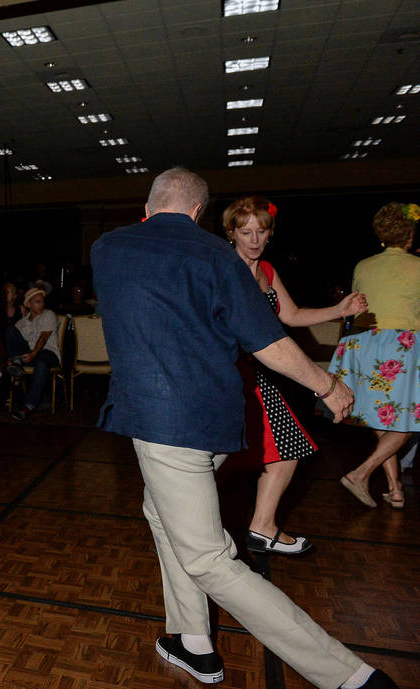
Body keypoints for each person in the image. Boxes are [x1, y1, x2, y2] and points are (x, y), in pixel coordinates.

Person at [91, 167, 398, 689]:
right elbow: (265, 341)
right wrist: (329, 385)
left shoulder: (106, 248)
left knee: (210, 558)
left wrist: (325, 385)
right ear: (197, 214)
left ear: (147, 208)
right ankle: (193, 641)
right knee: (161, 513)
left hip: (164, 426)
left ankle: (350, 677)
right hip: (216, 424)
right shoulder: (216, 255)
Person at [222, 196, 367, 554]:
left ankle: (261, 527)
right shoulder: (224, 268)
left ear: (270, 234)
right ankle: (192, 525)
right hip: (229, 376)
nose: (254, 239)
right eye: (246, 232)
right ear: (232, 234)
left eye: (261, 231)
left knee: (285, 448)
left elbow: (292, 315)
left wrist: (339, 309)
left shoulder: (267, 270)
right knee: (220, 456)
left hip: (262, 375)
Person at [332, 202, 420, 509]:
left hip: (365, 344)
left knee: (387, 418)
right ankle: (361, 473)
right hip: (403, 346)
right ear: (409, 235)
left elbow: (357, 309)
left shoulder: (363, 266)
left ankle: (395, 488)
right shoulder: (418, 267)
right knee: (409, 420)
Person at [6, 286, 61, 420]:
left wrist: (33, 354)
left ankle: (28, 405)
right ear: (29, 304)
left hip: (48, 353)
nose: (41, 304)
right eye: (37, 301)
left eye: (42, 301)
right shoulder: (22, 322)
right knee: (10, 331)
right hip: (29, 354)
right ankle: (16, 362)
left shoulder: (49, 314)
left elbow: (43, 338)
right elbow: (15, 341)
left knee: (42, 362)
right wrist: (12, 356)